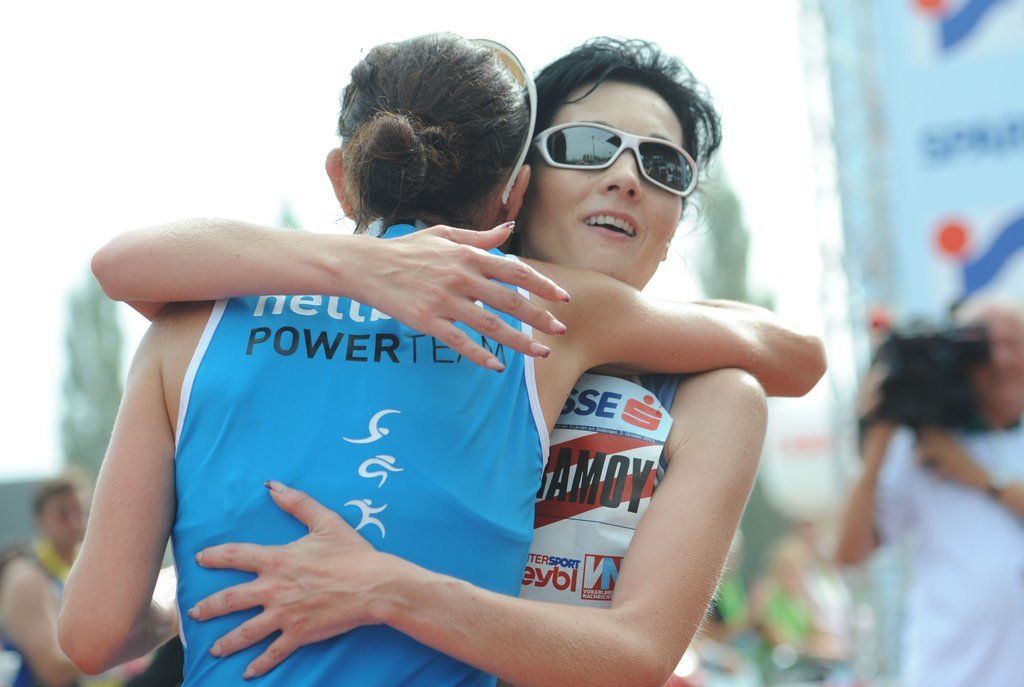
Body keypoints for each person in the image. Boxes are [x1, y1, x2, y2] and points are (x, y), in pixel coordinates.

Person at [62, 35, 825, 687]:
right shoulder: (546, 320)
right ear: (518, 189)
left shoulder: (194, 324)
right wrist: (359, 265)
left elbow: (92, 632)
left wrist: (359, 587)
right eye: (587, 146)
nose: (626, 177)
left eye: (664, 164)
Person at [835, 296, 1024, 687]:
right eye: (982, 346)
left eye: (1012, 343)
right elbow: (850, 553)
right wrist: (878, 439)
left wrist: (982, 479)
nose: (999, 360)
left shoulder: (952, 456)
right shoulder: (921, 450)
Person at [0, 473, 89, 687]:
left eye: (81, 511)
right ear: (41, 520)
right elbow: (54, 670)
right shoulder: (28, 578)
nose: (74, 522)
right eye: (62, 514)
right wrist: (126, 648)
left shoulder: (82, 568)